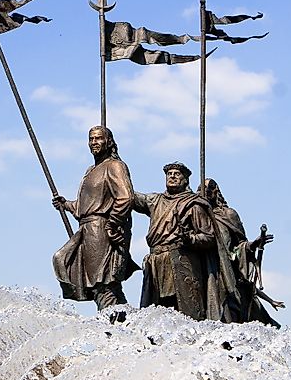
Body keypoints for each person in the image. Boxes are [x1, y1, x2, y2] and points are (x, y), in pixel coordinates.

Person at [51, 126, 140, 316]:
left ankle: (113, 329)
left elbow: (125, 197)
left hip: (101, 232)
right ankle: (130, 325)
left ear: (109, 142)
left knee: (103, 283)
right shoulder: (91, 170)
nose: (94, 143)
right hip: (87, 230)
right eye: (91, 139)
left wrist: (112, 223)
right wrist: (66, 204)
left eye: (98, 138)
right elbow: (86, 208)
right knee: (103, 285)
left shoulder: (114, 166)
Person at [132, 162, 214, 320]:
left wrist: (190, 238)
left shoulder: (193, 204)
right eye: (169, 174)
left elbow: (209, 236)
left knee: (186, 316)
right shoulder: (155, 200)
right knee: (153, 317)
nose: (172, 176)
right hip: (156, 263)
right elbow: (131, 196)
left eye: (177, 174)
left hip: (180, 261)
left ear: (185, 180)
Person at [204, 178, 284, 327]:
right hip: (203, 271)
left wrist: (253, 244)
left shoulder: (228, 215)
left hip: (226, 272)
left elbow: (241, 244)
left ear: (216, 192)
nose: (205, 191)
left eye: (210, 188)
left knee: (231, 314)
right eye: (201, 188)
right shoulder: (198, 216)